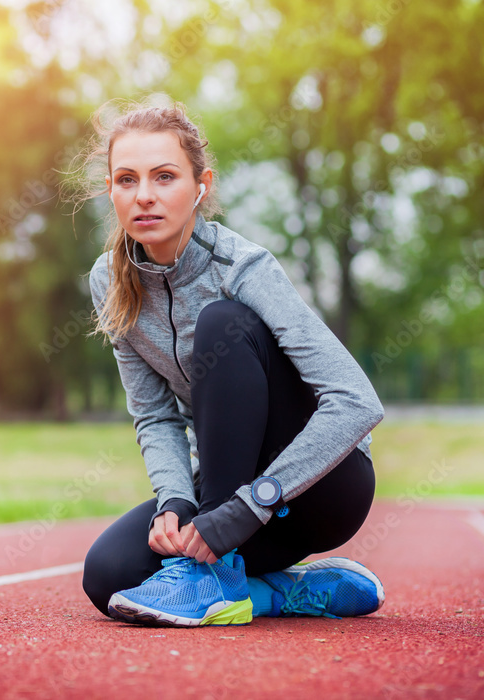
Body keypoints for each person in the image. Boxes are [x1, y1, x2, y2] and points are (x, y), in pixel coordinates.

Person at [73, 96, 386, 627]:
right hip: (227, 496)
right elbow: (156, 416)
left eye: (164, 177)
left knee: (223, 322)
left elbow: (357, 403)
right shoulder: (108, 282)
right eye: (127, 180)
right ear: (111, 191)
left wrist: (248, 505)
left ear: (202, 185)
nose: (144, 196)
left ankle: (216, 576)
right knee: (109, 575)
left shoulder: (242, 267)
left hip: (321, 489)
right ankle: (284, 592)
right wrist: (175, 501)